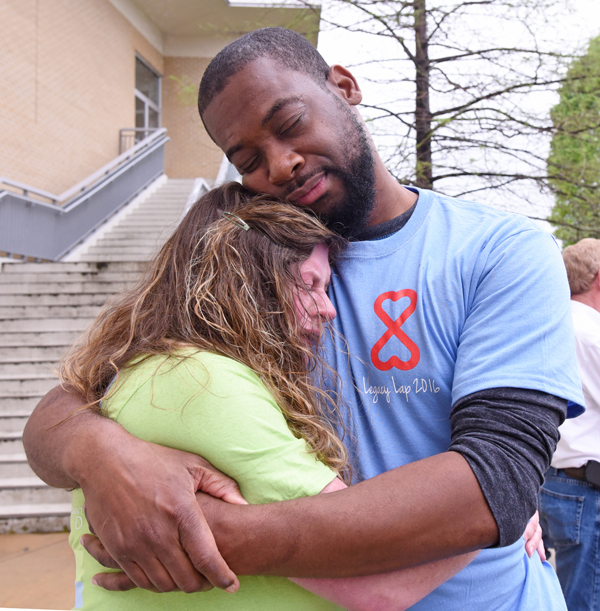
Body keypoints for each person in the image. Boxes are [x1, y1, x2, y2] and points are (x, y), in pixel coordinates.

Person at [23, 27, 583, 610]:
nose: (282, 163)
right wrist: (100, 455)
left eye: (290, 124)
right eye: (248, 160)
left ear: (343, 88)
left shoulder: (499, 251)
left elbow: (497, 475)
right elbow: (77, 399)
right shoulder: (257, 270)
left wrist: (206, 534)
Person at [61, 182, 483, 610]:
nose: (328, 308)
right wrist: (494, 511)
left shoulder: (154, 369)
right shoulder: (201, 383)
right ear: (247, 280)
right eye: (310, 284)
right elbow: (377, 584)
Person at [538, 238, 600, 611]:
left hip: (549, 480)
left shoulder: (550, 324)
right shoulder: (595, 334)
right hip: (586, 490)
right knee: (587, 599)